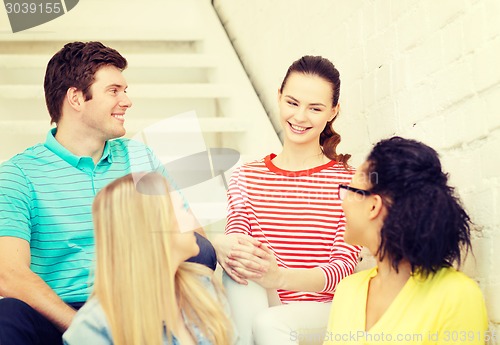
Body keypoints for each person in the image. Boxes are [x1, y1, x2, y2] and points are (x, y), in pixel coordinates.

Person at [0, 41, 216, 345]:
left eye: (125, 90)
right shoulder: (18, 174)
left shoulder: (141, 158)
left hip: (137, 309)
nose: (127, 101)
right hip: (59, 314)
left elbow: (196, 241)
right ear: (76, 98)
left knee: (203, 252)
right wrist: (84, 329)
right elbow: (9, 274)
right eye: (114, 91)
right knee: (7, 314)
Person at [213, 55, 361, 345]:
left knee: (270, 322)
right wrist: (220, 243)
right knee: (239, 268)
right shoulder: (246, 176)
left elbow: (342, 268)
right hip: (264, 303)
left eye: (315, 108)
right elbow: (238, 245)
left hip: (323, 313)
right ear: (279, 97)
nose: (300, 117)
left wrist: (279, 277)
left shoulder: (351, 181)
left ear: (333, 112)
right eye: (292, 103)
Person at [323, 137, 489, 345]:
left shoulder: (456, 296)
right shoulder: (348, 290)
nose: (343, 203)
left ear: (373, 206)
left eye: (350, 191)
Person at [63, 173, 234, 345]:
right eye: (182, 209)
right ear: (157, 223)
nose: (191, 220)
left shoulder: (204, 286)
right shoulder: (94, 328)